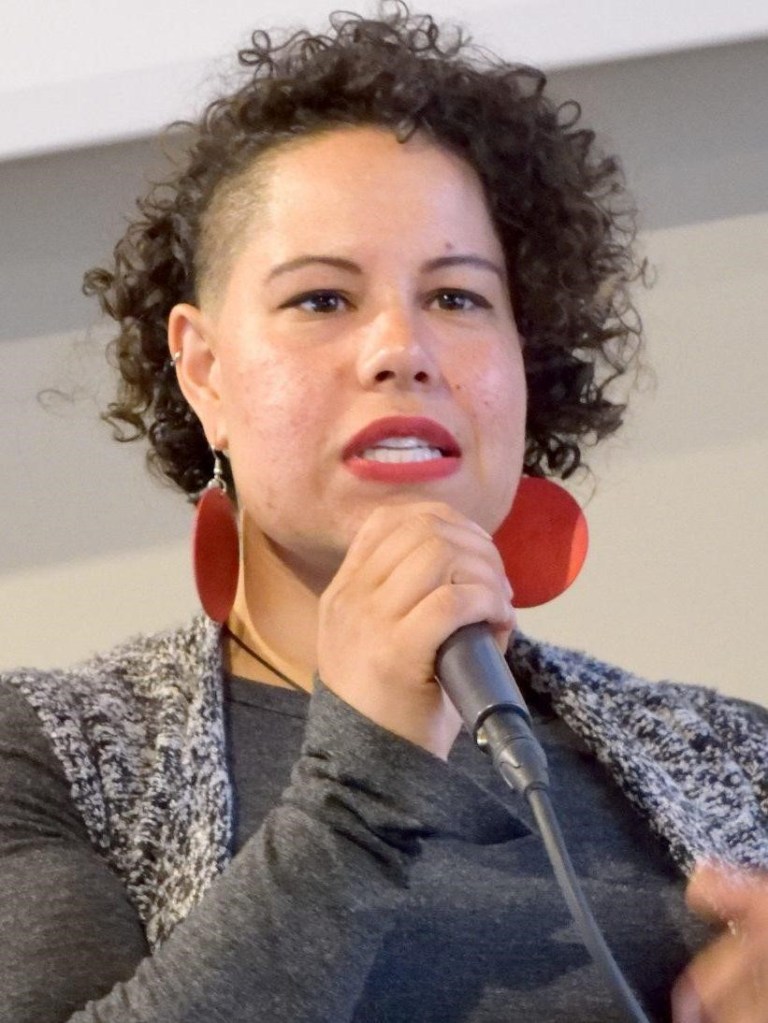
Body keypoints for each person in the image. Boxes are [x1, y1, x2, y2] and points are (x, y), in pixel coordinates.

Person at [1, 6, 766, 1022]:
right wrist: (364, 778)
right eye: (322, 300)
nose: (402, 348)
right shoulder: (53, 755)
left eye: (457, 298)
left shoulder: (735, 757)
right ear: (205, 371)